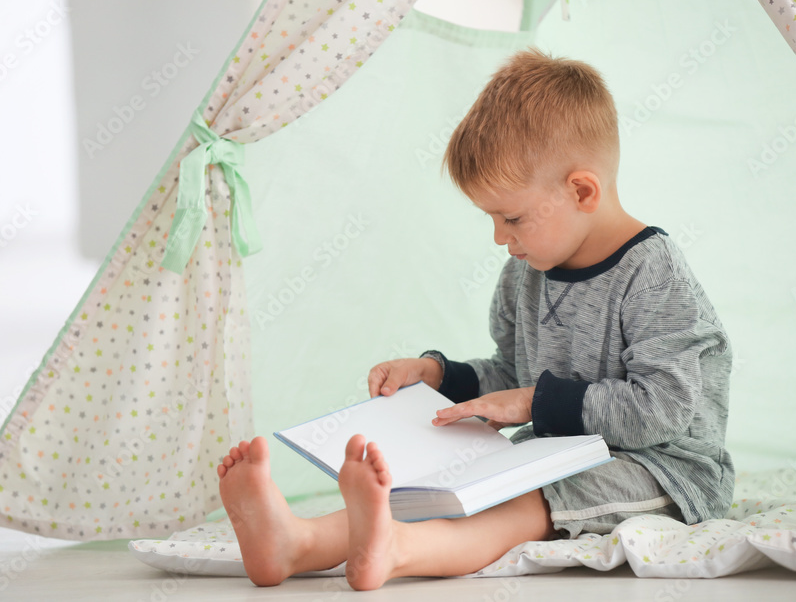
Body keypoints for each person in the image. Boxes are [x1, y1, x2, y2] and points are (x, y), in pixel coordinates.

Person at [216, 46, 735, 591]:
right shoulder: (527, 269)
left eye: (511, 217)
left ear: (581, 190)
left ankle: (401, 551)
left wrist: (535, 404)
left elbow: (667, 409)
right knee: (454, 488)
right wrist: (442, 378)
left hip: (667, 469)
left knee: (530, 499)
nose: (500, 238)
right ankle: (298, 543)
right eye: (492, 218)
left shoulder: (653, 272)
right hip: (551, 453)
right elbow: (513, 376)